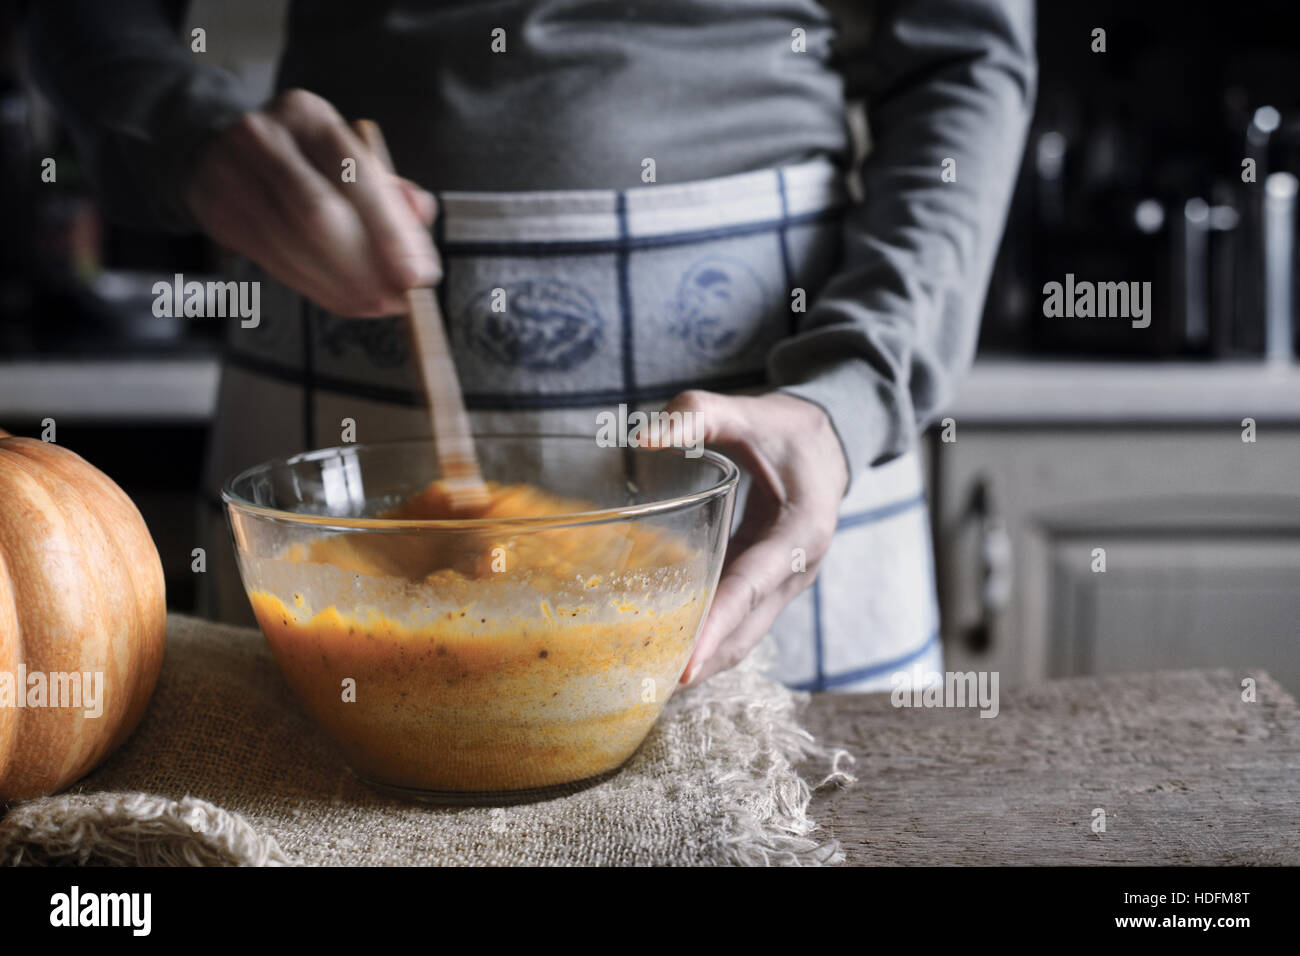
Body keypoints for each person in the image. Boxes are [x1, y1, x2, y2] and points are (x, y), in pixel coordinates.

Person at [26, 0, 1035, 691]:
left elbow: (967, 50)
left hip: (781, 396)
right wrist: (184, 134)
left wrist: (854, 383)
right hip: (330, 319)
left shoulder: (825, 393)